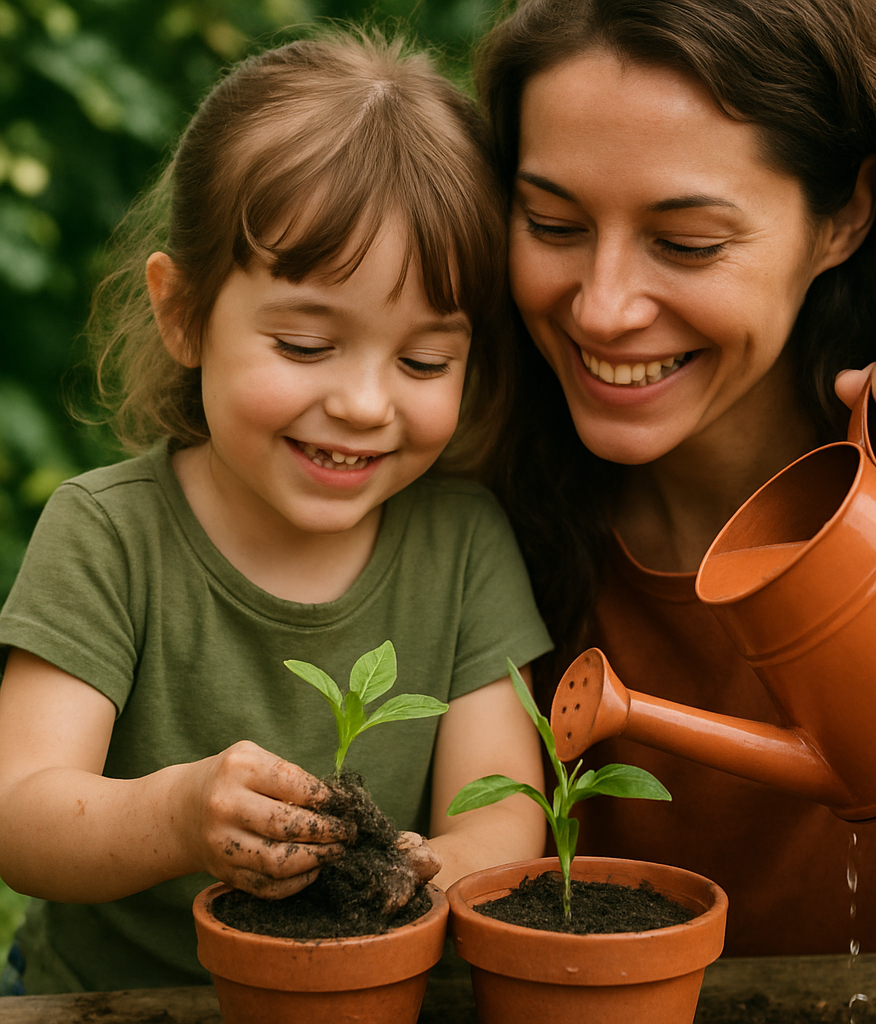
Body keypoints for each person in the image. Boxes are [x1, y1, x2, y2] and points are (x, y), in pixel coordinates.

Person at [0, 29, 551, 995]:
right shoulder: (109, 534)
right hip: (112, 1003)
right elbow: (20, 811)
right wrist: (175, 817)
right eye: (305, 345)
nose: (366, 404)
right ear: (182, 313)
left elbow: (503, 812)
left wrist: (432, 872)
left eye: (425, 361)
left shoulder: (463, 543)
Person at [475, 0, 876, 955]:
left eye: (687, 244)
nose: (602, 310)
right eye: (551, 222)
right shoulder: (461, 497)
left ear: (845, 216)